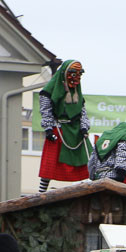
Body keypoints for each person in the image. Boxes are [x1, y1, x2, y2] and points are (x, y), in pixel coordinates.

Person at [38, 59, 89, 193]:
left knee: (88, 159)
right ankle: (41, 192)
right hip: (58, 129)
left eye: (79, 74)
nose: (76, 78)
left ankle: (91, 187)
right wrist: (48, 129)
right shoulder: (48, 92)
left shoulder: (78, 93)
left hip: (76, 130)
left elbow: (83, 112)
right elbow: (46, 111)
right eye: (73, 74)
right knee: (50, 163)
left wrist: (84, 127)